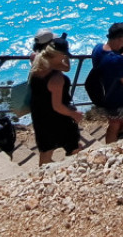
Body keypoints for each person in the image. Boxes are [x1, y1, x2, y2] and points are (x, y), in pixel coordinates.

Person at [28, 36, 83, 164]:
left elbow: (65, 67)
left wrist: (64, 54)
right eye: (64, 55)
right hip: (58, 118)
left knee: (46, 150)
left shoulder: (38, 60)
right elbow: (57, 106)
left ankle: (43, 172)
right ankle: (73, 169)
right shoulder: (56, 78)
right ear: (59, 54)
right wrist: (73, 114)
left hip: (39, 114)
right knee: (74, 147)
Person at [91, 22, 123, 143]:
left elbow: (106, 65)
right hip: (119, 99)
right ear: (120, 39)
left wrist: (119, 57)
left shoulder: (97, 49)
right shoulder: (117, 61)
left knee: (114, 124)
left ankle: (110, 148)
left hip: (105, 95)